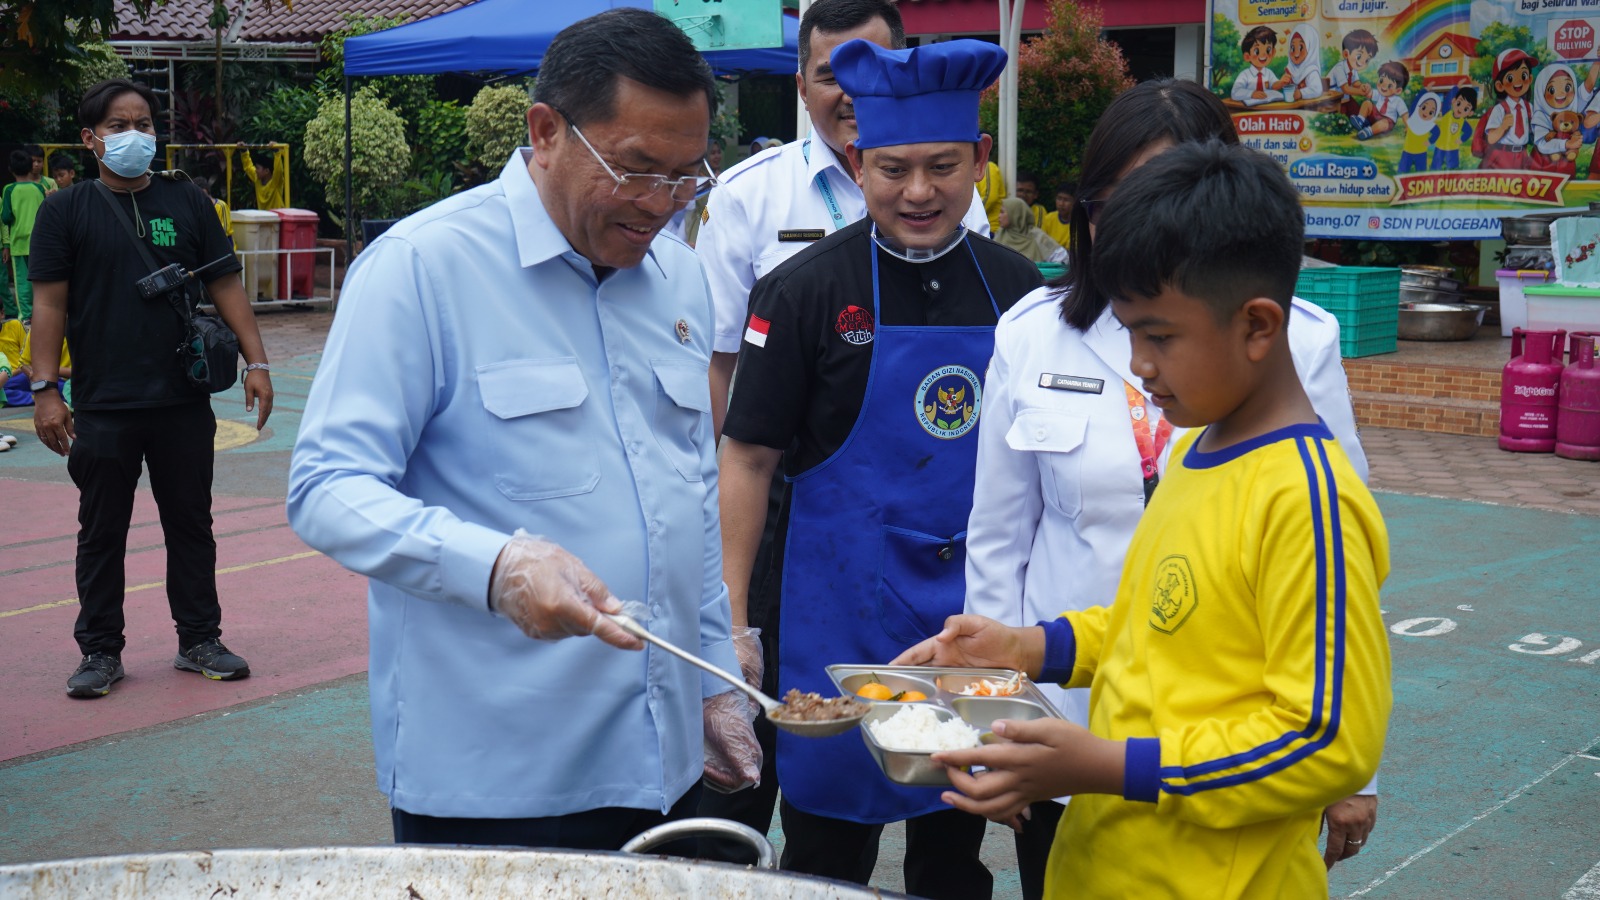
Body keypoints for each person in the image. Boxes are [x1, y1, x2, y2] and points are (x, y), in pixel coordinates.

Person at [286, 8, 760, 851]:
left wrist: (717, 676)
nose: (660, 204)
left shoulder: (680, 278)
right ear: (545, 131)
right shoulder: (422, 268)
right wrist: (495, 564)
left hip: (668, 765)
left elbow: (687, 495)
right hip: (495, 776)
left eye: (688, 176)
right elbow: (327, 487)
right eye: (638, 169)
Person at [897, 139, 1393, 900]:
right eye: (1129, 332)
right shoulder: (1198, 452)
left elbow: (1324, 742)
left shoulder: (1306, 502)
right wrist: (1030, 645)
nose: (1138, 364)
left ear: (1259, 326)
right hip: (1110, 869)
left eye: (1158, 335)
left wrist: (1105, 765)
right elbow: (1154, 626)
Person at [718, 38, 1039, 897]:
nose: (920, 191)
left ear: (980, 161)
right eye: (894, 168)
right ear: (857, 164)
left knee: (954, 848)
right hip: (833, 618)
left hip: (970, 621)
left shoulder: (1021, 293)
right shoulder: (804, 291)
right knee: (825, 858)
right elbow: (747, 458)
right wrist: (737, 621)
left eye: (943, 166)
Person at [28, 78, 274, 698]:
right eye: (117, 126)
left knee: (191, 523)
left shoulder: (186, 201)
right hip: (105, 405)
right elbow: (48, 306)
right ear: (90, 140)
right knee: (101, 530)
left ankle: (199, 640)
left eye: (142, 123)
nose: (133, 135)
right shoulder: (65, 211)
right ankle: (100, 652)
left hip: (183, 401)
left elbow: (226, 286)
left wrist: (258, 363)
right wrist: (45, 390)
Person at [698, 0, 991, 436]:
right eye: (831, 77)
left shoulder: (950, 195)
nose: (853, 93)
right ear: (801, 87)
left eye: (873, 69)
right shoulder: (745, 195)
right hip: (795, 470)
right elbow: (717, 363)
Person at [4, 149, 48, 324]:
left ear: (11, 169)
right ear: (30, 167)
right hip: (39, 243)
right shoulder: (39, 188)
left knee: (22, 283)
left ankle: (26, 318)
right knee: (40, 280)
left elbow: (6, 217)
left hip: (18, 243)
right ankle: (42, 313)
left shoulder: (9, 190)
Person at [1480, 49, 1536, 170]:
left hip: (1522, 155)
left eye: (1523, 75)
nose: (1518, 81)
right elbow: (1491, 138)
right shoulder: (1499, 109)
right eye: (1510, 78)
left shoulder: (1529, 108)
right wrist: (1503, 126)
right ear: (1500, 86)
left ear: (1530, 79)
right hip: (1503, 156)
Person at [994, 197, 1064, 265]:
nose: (999, 216)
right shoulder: (1000, 233)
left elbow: (1061, 256)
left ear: (1015, 215)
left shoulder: (1036, 235)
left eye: (1002, 212)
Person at [1351, 60, 1408, 141]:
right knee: (1367, 103)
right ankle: (1360, 121)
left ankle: (1369, 131)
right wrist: (1366, 89)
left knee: (1383, 124)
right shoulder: (1379, 94)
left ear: (1398, 90)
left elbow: (1404, 114)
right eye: (1381, 81)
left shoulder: (1398, 101)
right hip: (1375, 114)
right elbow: (1369, 94)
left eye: (1390, 86)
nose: (1383, 86)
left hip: (1387, 120)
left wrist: (1408, 126)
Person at [1327, 30, 1377, 117]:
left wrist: (1363, 87)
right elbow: (1345, 88)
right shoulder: (1339, 68)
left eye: (1367, 60)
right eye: (1359, 56)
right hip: (1333, 100)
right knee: (1342, 116)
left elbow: (1356, 83)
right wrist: (1360, 92)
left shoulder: (1353, 69)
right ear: (1346, 54)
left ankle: (1366, 123)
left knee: (1359, 113)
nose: (1362, 62)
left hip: (1345, 99)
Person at [1231, 25, 1283, 107]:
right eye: (1257, 51)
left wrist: (1282, 82)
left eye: (1268, 50)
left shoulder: (1268, 73)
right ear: (1247, 56)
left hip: (1267, 107)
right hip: (1249, 109)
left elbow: (1274, 84)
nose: (1264, 54)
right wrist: (1251, 93)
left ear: (1273, 52)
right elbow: (1235, 92)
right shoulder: (1245, 75)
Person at [1276, 23, 1324, 102]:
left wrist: (1301, 93)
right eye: (1292, 47)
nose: (1296, 54)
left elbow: (1317, 89)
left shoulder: (1311, 71)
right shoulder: (1290, 69)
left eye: (1301, 47)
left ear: (1311, 48)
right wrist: (1282, 83)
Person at [238, 141, 288, 210]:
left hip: (277, 218)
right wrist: (244, 151)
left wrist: (277, 151)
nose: (255, 170)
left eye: (258, 168)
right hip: (263, 218)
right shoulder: (257, 178)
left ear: (266, 171)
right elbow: (248, 167)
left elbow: (278, 170)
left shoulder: (275, 182)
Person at [1038, 182, 1073, 248]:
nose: (1061, 204)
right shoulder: (1048, 218)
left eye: (1066, 200)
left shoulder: (1079, 223)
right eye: (1059, 199)